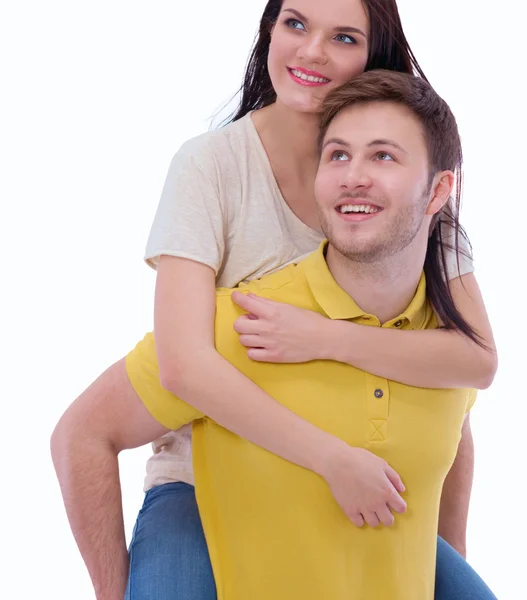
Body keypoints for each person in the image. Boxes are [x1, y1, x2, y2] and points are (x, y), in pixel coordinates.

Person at [50, 1, 498, 599]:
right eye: (294, 23)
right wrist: (332, 459)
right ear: (268, 31)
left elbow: (469, 369)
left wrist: (323, 338)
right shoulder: (212, 167)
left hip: (365, 482)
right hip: (207, 476)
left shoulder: (410, 191)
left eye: (343, 36)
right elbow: (182, 365)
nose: (312, 51)